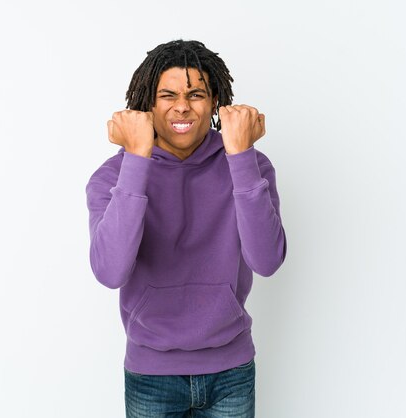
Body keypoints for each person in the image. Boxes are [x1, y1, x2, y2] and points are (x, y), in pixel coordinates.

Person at [86, 39, 287, 418]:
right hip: (151, 373)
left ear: (215, 104)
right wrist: (136, 159)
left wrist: (241, 156)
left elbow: (267, 260)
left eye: (196, 94)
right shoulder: (113, 177)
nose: (182, 106)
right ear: (148, 104)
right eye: (168, 95)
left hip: (231, 370)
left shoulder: (249, 166)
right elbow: (110, 271)